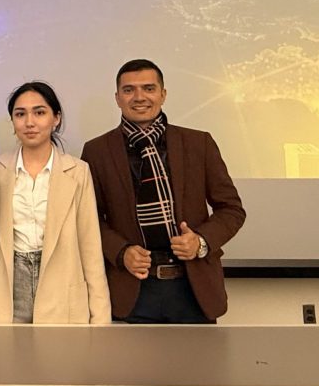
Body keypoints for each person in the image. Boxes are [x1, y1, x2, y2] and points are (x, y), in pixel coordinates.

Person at [80, 59, 246, 323]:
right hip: (131, 290)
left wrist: (200, 241)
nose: (139, 97)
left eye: (149, 88)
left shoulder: (198, 143)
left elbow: (232, 209)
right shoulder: (97, 151)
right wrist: (121, 252)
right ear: (117, 98)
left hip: (194, 290)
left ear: (163, 94)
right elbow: (88, 219)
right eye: (129, 90)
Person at [0, 82, 111, 324]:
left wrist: (100, 317)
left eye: (39, 112)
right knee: (9, 349)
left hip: (62, 287)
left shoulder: (78, 171)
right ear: (12, 122)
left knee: (59, 350)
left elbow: (90, 245)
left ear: (56, 118)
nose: (29, 122)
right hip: (10, 288)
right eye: (20, 114)